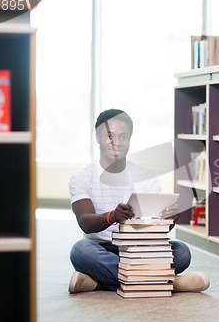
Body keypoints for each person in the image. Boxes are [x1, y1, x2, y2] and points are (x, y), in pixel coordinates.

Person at [68, 108, 210, 293]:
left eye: (123, 137)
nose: (116, 142)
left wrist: (169, 220)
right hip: (100, 248)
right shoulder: (81, 178)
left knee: (182, 252)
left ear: (129, 140)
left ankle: (98, 283)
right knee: (80, 251)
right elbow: (85, 223)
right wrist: (112, 216)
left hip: (140, 249)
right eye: (109, 136)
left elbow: (156, 230)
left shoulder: (147, 177)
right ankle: (168, 281)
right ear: (97, 137)